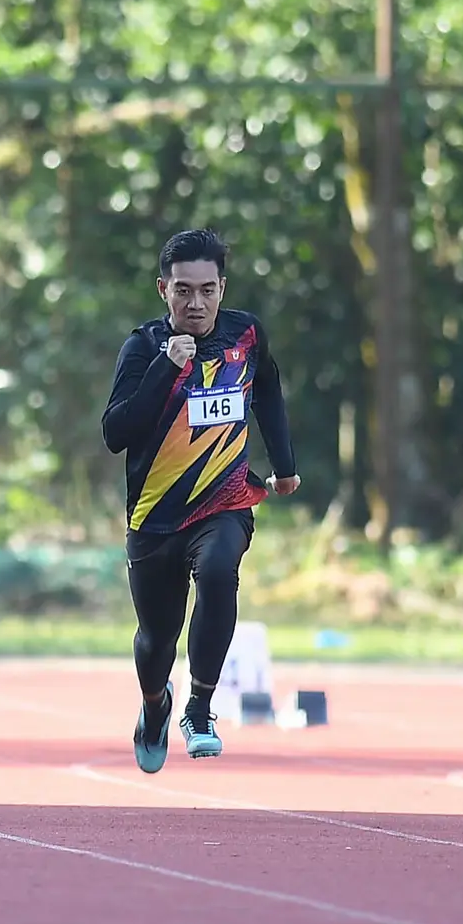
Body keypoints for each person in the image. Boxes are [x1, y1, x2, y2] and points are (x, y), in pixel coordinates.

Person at [102, 228, 301, 773]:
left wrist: (283, 466)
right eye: (183, 291)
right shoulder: (143, 348)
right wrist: (168, 366)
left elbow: (268, 390)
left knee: (218, 571)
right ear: (162, 289)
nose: (197, 303)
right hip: (155, 517)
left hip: (226, 499)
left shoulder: (246, 335)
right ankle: (155, 704)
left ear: (222, 288)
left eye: (208, 290)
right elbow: (116, 432)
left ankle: (200, 708)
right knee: (155, 641)